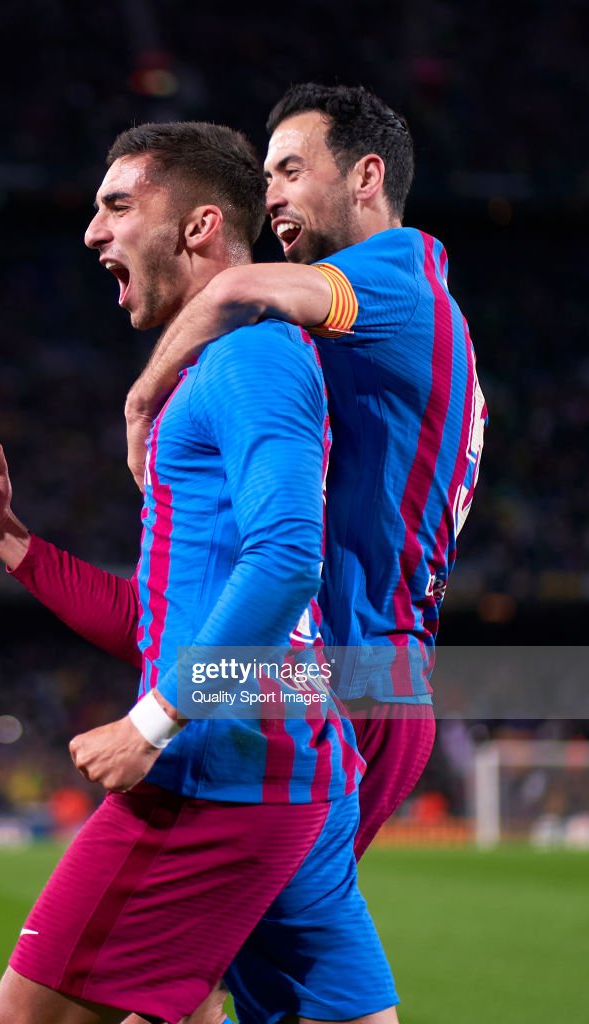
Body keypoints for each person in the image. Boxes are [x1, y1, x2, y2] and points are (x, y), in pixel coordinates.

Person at [0, 122, 398, 1024]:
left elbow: (286, 561)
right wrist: (8, 540)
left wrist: (150, 725)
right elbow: (156, 620)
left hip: (215, 780)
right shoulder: (225, 370)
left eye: (118, 205)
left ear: (198, 227)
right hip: (285, 773)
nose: (93, 232)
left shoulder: (248, 359)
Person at [124, 83, 488, 859]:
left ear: (366, 177)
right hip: (371, 676)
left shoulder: (393, 280)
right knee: (279, 933)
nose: (272, 196)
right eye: (265, 179)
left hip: (358, 675)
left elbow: (238, 288)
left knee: (227, 922)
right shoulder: (414, 307)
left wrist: (144, 397)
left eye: (291, 171)